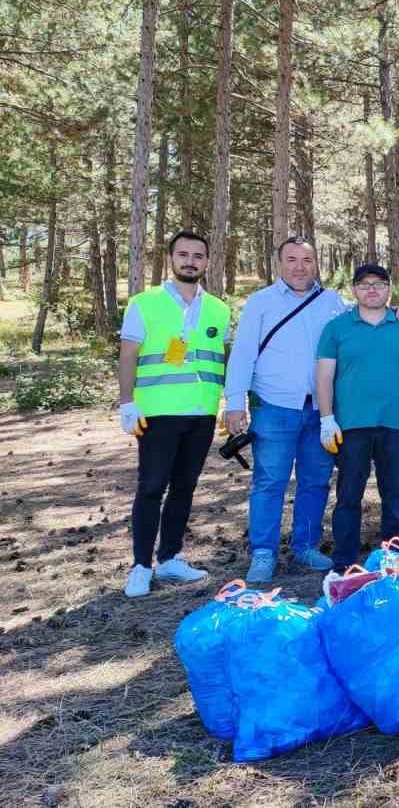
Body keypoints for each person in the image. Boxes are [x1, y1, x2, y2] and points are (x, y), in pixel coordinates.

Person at [224, 237, 353, 583]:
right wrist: (234, 402)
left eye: (307, 260)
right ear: (279, 263)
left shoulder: (333, 303)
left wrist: (396, 312)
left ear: (316, 264)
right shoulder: (261, 302)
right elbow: (243, 354)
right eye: (292, 259)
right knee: (269, 482)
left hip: (321, 412)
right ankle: (263, 552)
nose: (299, 266)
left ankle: (305, 546)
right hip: (274, 408)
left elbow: (355, 338)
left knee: (316, 481)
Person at [117, 231, 227, 597]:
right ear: (170, 259)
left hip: (202, 411)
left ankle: (170, 557)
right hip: (158, 411)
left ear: (207, 261)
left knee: (185, 486)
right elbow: (129, 354)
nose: (191, 260)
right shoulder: (144, 303)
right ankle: (140, 566)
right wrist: (126, 402)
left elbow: (220, 359)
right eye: (183, 254)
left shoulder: (219, 309)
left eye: (198, 255)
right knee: (151, 487)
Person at [315, 264, 399, 570]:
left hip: (396, 425)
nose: (372, 289)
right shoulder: (337, 328)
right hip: (350, 426)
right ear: (354, 290)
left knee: (396, 495)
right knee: (349, 496)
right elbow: (324, 376)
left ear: (389, 289)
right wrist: (327, 418)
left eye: (379, 283)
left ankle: (395, 558)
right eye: (364, 284)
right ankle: (345, 562)